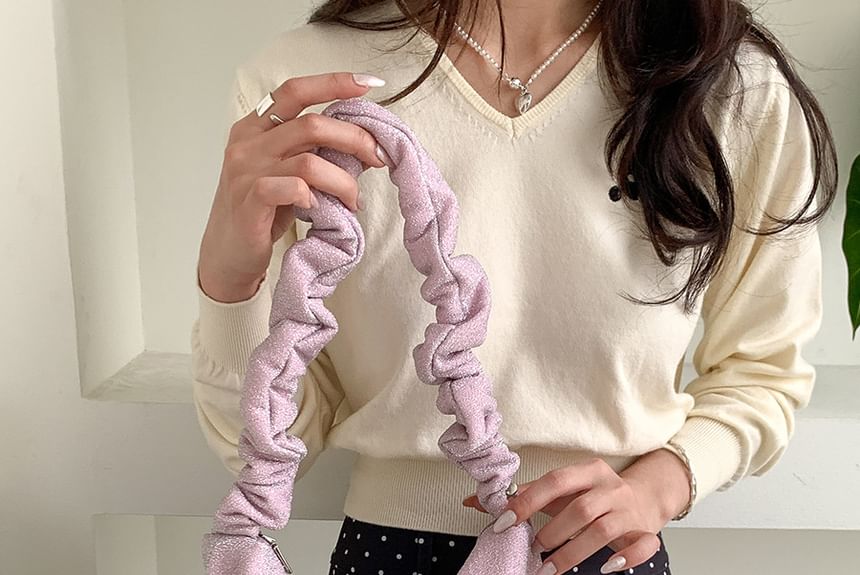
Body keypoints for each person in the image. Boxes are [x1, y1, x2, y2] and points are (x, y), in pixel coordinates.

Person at [191, 1, 838, 574]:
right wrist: (229, 277)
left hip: (600, 554)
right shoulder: (301, 83)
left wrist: (664, 482)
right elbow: (260, 446)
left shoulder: (732, 87)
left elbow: (763, 369)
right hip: (386, 555)